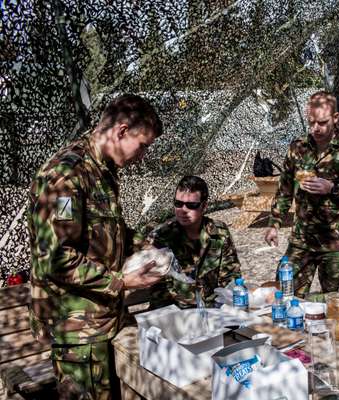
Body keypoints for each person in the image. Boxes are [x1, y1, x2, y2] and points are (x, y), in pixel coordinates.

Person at [28, 94, 165, 399]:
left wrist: (146, 247)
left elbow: (108, 231)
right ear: (122, 131)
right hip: (79, 335)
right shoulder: (66, 176)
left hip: (106, 322)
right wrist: (122, 281)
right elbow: (56, 258)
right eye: (142, 146)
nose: (142, 156)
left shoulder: (103, 171)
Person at [264, 91, 339, 297]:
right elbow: (285, 188)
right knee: (285, 295)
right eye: (311, 122)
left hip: (335, 243)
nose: (316, 128)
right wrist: (274, 223)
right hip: (301, 239)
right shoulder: (298, 148)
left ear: (335, 118)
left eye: (322, 122)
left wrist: (332, 188)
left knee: (338, 303)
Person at [145, 175, 241, 307]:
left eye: (192, 205)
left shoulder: (219, 232)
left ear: (204, 206)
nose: (183, 210)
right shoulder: (160, 237)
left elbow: (231, 276)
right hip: (175, 315)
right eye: (178, 204)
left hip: (214, 312)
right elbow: (159, 291)